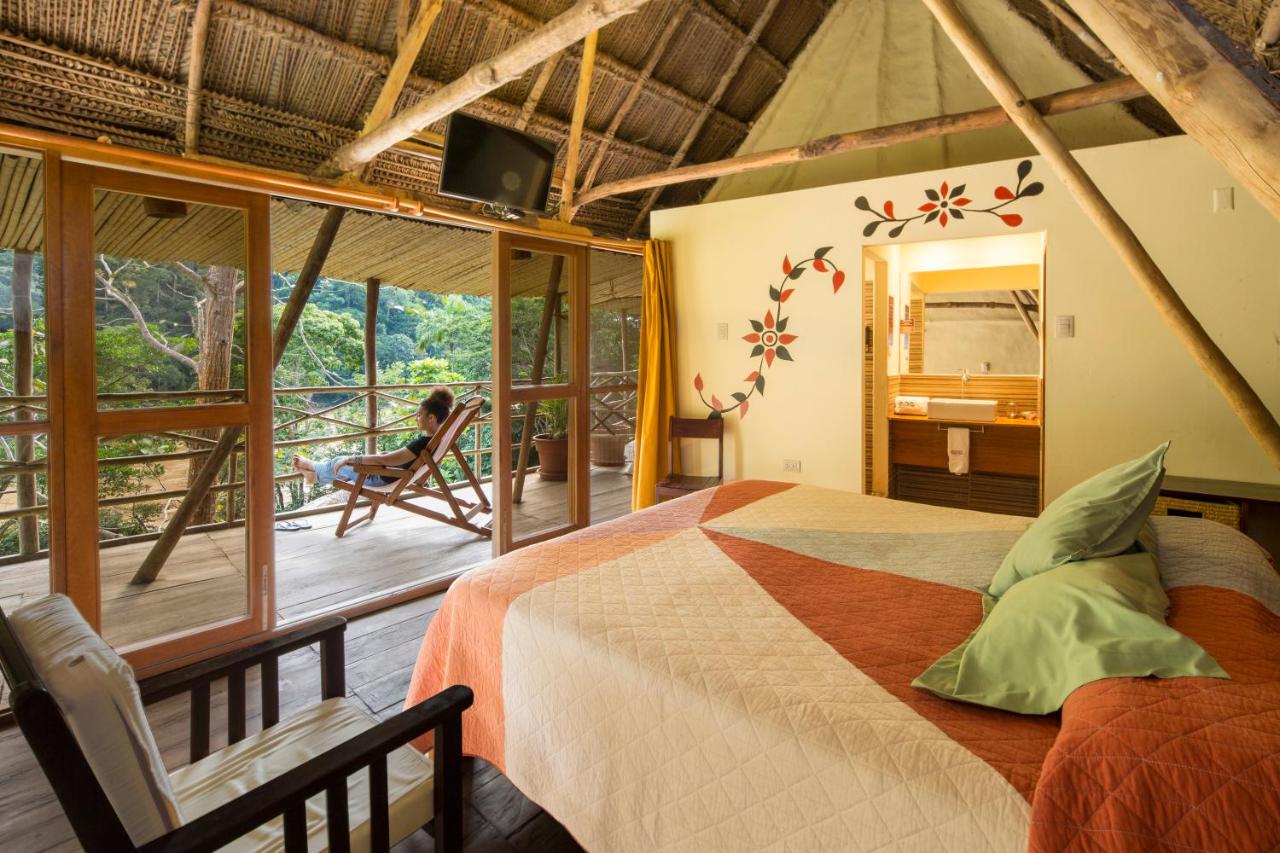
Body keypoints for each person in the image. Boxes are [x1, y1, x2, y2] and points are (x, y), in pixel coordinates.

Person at [292, 387, 454, 488]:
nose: (416, 418)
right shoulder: (438, 439)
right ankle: (314, 475)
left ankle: (313, 468)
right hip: (394, 475)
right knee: (344, 463)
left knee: (338, 462)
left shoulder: (422, 444)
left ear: (431, 418)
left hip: (382, 478)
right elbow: (394, 459)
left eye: (419, 415)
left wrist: (350, 459)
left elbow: (383, 460)